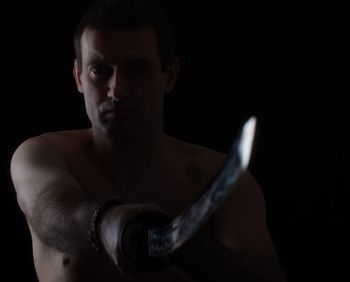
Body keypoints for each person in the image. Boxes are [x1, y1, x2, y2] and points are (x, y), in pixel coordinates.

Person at [10, 0, 287, 281]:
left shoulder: (221, 181)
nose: (117, 91)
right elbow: (49, 211)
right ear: (78, 77)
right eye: (99, 70)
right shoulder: (43, 155)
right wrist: (108, 224)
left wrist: (186, 248)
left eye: (137, 69)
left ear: (169, 75)